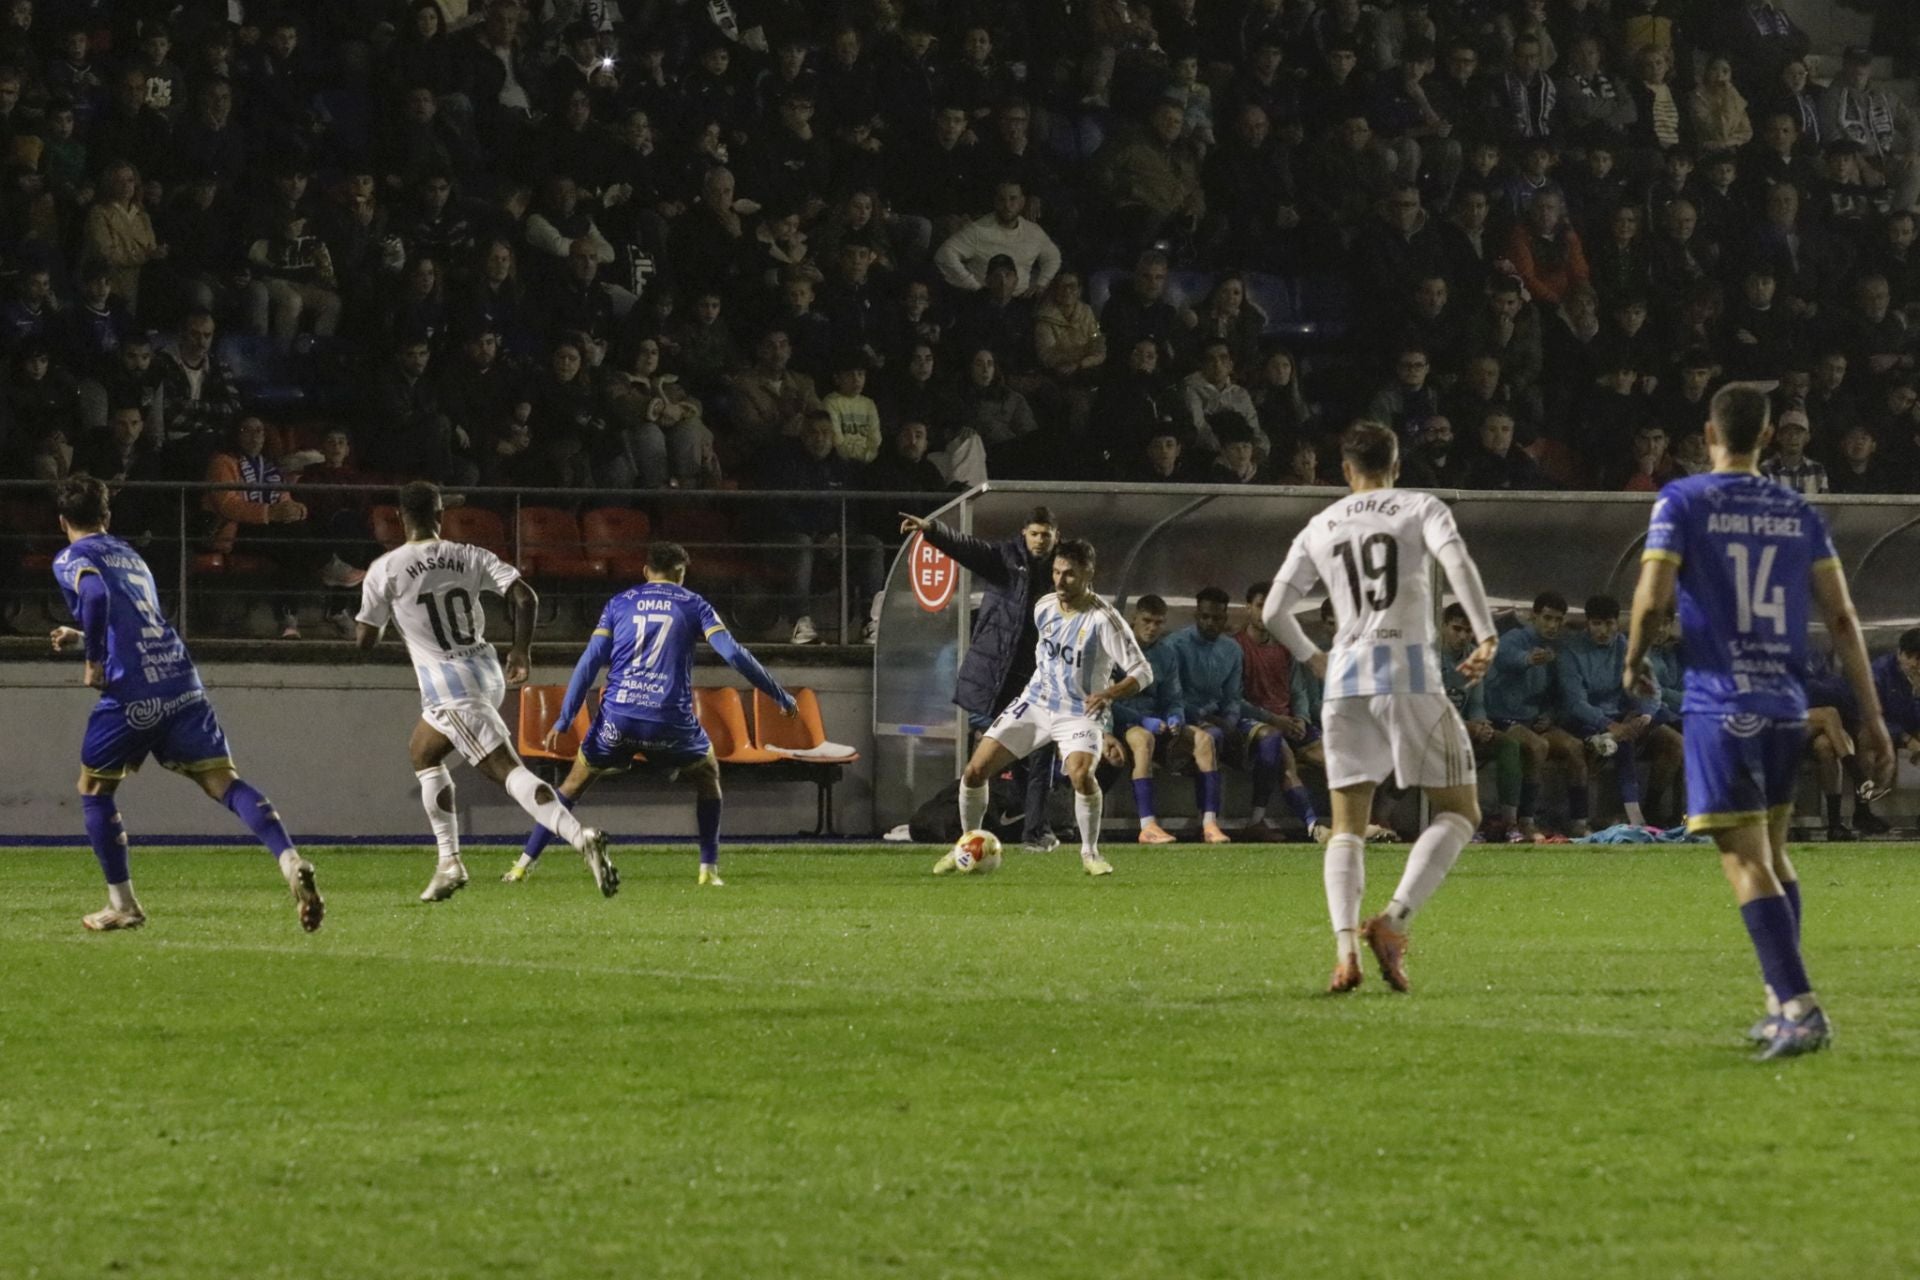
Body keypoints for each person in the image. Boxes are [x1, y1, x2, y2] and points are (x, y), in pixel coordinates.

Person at [1624, 383, 1894, 1061]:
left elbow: (1653, 596)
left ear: (1707, 435)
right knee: (1774, 854)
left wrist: (1632, 660)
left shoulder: (1683, 499)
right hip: (1784, 702)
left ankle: (1800, 1006)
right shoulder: (1797, 508)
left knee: (1742, 859)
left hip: (1723, 702)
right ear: (1769, 437)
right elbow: (1841, 619)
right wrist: (1874, 717)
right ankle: (1778, 1004)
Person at [1262, 422, 1500, 993]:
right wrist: (1486, 633)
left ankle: (1346, 952)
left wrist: (1314, 658)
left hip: (1344, 682)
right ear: (1396, 465)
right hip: (1409, 674)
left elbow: (1272, 611)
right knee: (1460, 811)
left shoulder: (1320, 526)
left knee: (1347, 826)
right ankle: (1392, 922)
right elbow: (1457, 561)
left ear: (1345, 470)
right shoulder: (1420, 506)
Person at [46, 475, 324, 933]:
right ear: (107, 515)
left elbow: (94, 595)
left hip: (134, 690)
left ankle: (124, 905)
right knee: (225, 783)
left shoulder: (72, 556)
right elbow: (138, 620)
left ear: (62, 521)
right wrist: (83, 639)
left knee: (94, 789)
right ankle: (289, 859)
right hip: (179, 676)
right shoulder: (131, 556)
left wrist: (92, 660)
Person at [353, 481, 614, 904]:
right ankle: (448, 863)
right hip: (485, 671)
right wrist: (521, 650)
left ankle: (578, 836)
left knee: (509, 774)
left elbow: (365, 642)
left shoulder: (386, 568)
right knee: (423, 751)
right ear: (440, 516)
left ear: (401, 518)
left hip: (452, 688)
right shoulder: (469, 554)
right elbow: (524, 597)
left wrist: (376, 619)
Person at [512, 542, 797, 887]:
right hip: (669, 720)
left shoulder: (619, 603)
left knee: (571, 787)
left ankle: (523, 866)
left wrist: (565, 718)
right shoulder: (694, 604)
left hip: (619, 717)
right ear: (682, 573)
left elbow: (590, 662)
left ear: (646, 571)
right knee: (708, 777)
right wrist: (778, 694)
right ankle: (708, 870)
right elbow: (734, 655)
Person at [936, 538, 1153, 878]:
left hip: (1079, 711)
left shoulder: (1104, 620)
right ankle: (964, 847)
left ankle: (1090, 853)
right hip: (1036, 703)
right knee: (975, 772)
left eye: (1069, 574)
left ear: (1088, 573)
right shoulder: (1045, 607)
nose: (1060, 581)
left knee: (1081, 775)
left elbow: (1143, 672)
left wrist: (1108, 694)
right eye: (1056, 572)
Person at [899, 506, 1063, 852]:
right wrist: (931, 529)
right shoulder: (1005, 560)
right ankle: (971, 833)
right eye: (1034, 533)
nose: (1040, 540)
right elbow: (967, 547)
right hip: (998, 679)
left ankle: (1035, 831)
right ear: (1024, 533)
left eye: (1046, 534)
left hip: (1039, 681)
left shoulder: (1063, 573)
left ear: (1055, 536)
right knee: (985, 764)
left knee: (1040, 756)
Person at [1168, 586, 1322, 841]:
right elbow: (1174, 695)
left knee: (1336, 758)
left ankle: (1358, 822)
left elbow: (1236, 697)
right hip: (1198, 719)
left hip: (1253, 719)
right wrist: (1268, 719)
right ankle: (1209, 821)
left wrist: (1302, 719)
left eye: (1217, 618)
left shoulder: (1237, 649)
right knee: (1225, 737)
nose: (1210, 623)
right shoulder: (1179, 645)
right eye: (1205, 617)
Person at [1110, 594, 1229, 845]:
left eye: (1158, 622)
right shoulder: (1115, 648)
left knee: (1204, 740)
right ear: (1134, 618)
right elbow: (1109, 701)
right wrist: (1143, 721)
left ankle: (1209, 823)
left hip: (1158, 720)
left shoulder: (1165, 653)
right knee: (1143, 741)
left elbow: (1173, 696)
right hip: (1125, 722)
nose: (1152, 628)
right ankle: (1148, 825)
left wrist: (1175, 716)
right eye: (1147, 620)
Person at [1558, 593, 1683, 827]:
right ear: (1588, 624)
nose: (1603, 630)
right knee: (1617, 744)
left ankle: (1656, 813)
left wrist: (1645, 715)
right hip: (1588, 720)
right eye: (1597, 624)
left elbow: (1652, 689)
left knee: (1676, 743)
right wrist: (1610, 726)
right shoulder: (1571, 651)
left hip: (1623, 720)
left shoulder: (1628, 647)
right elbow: (1574, 703)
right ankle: (1591, 821)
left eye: (1609, 623)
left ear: (1617, 623)